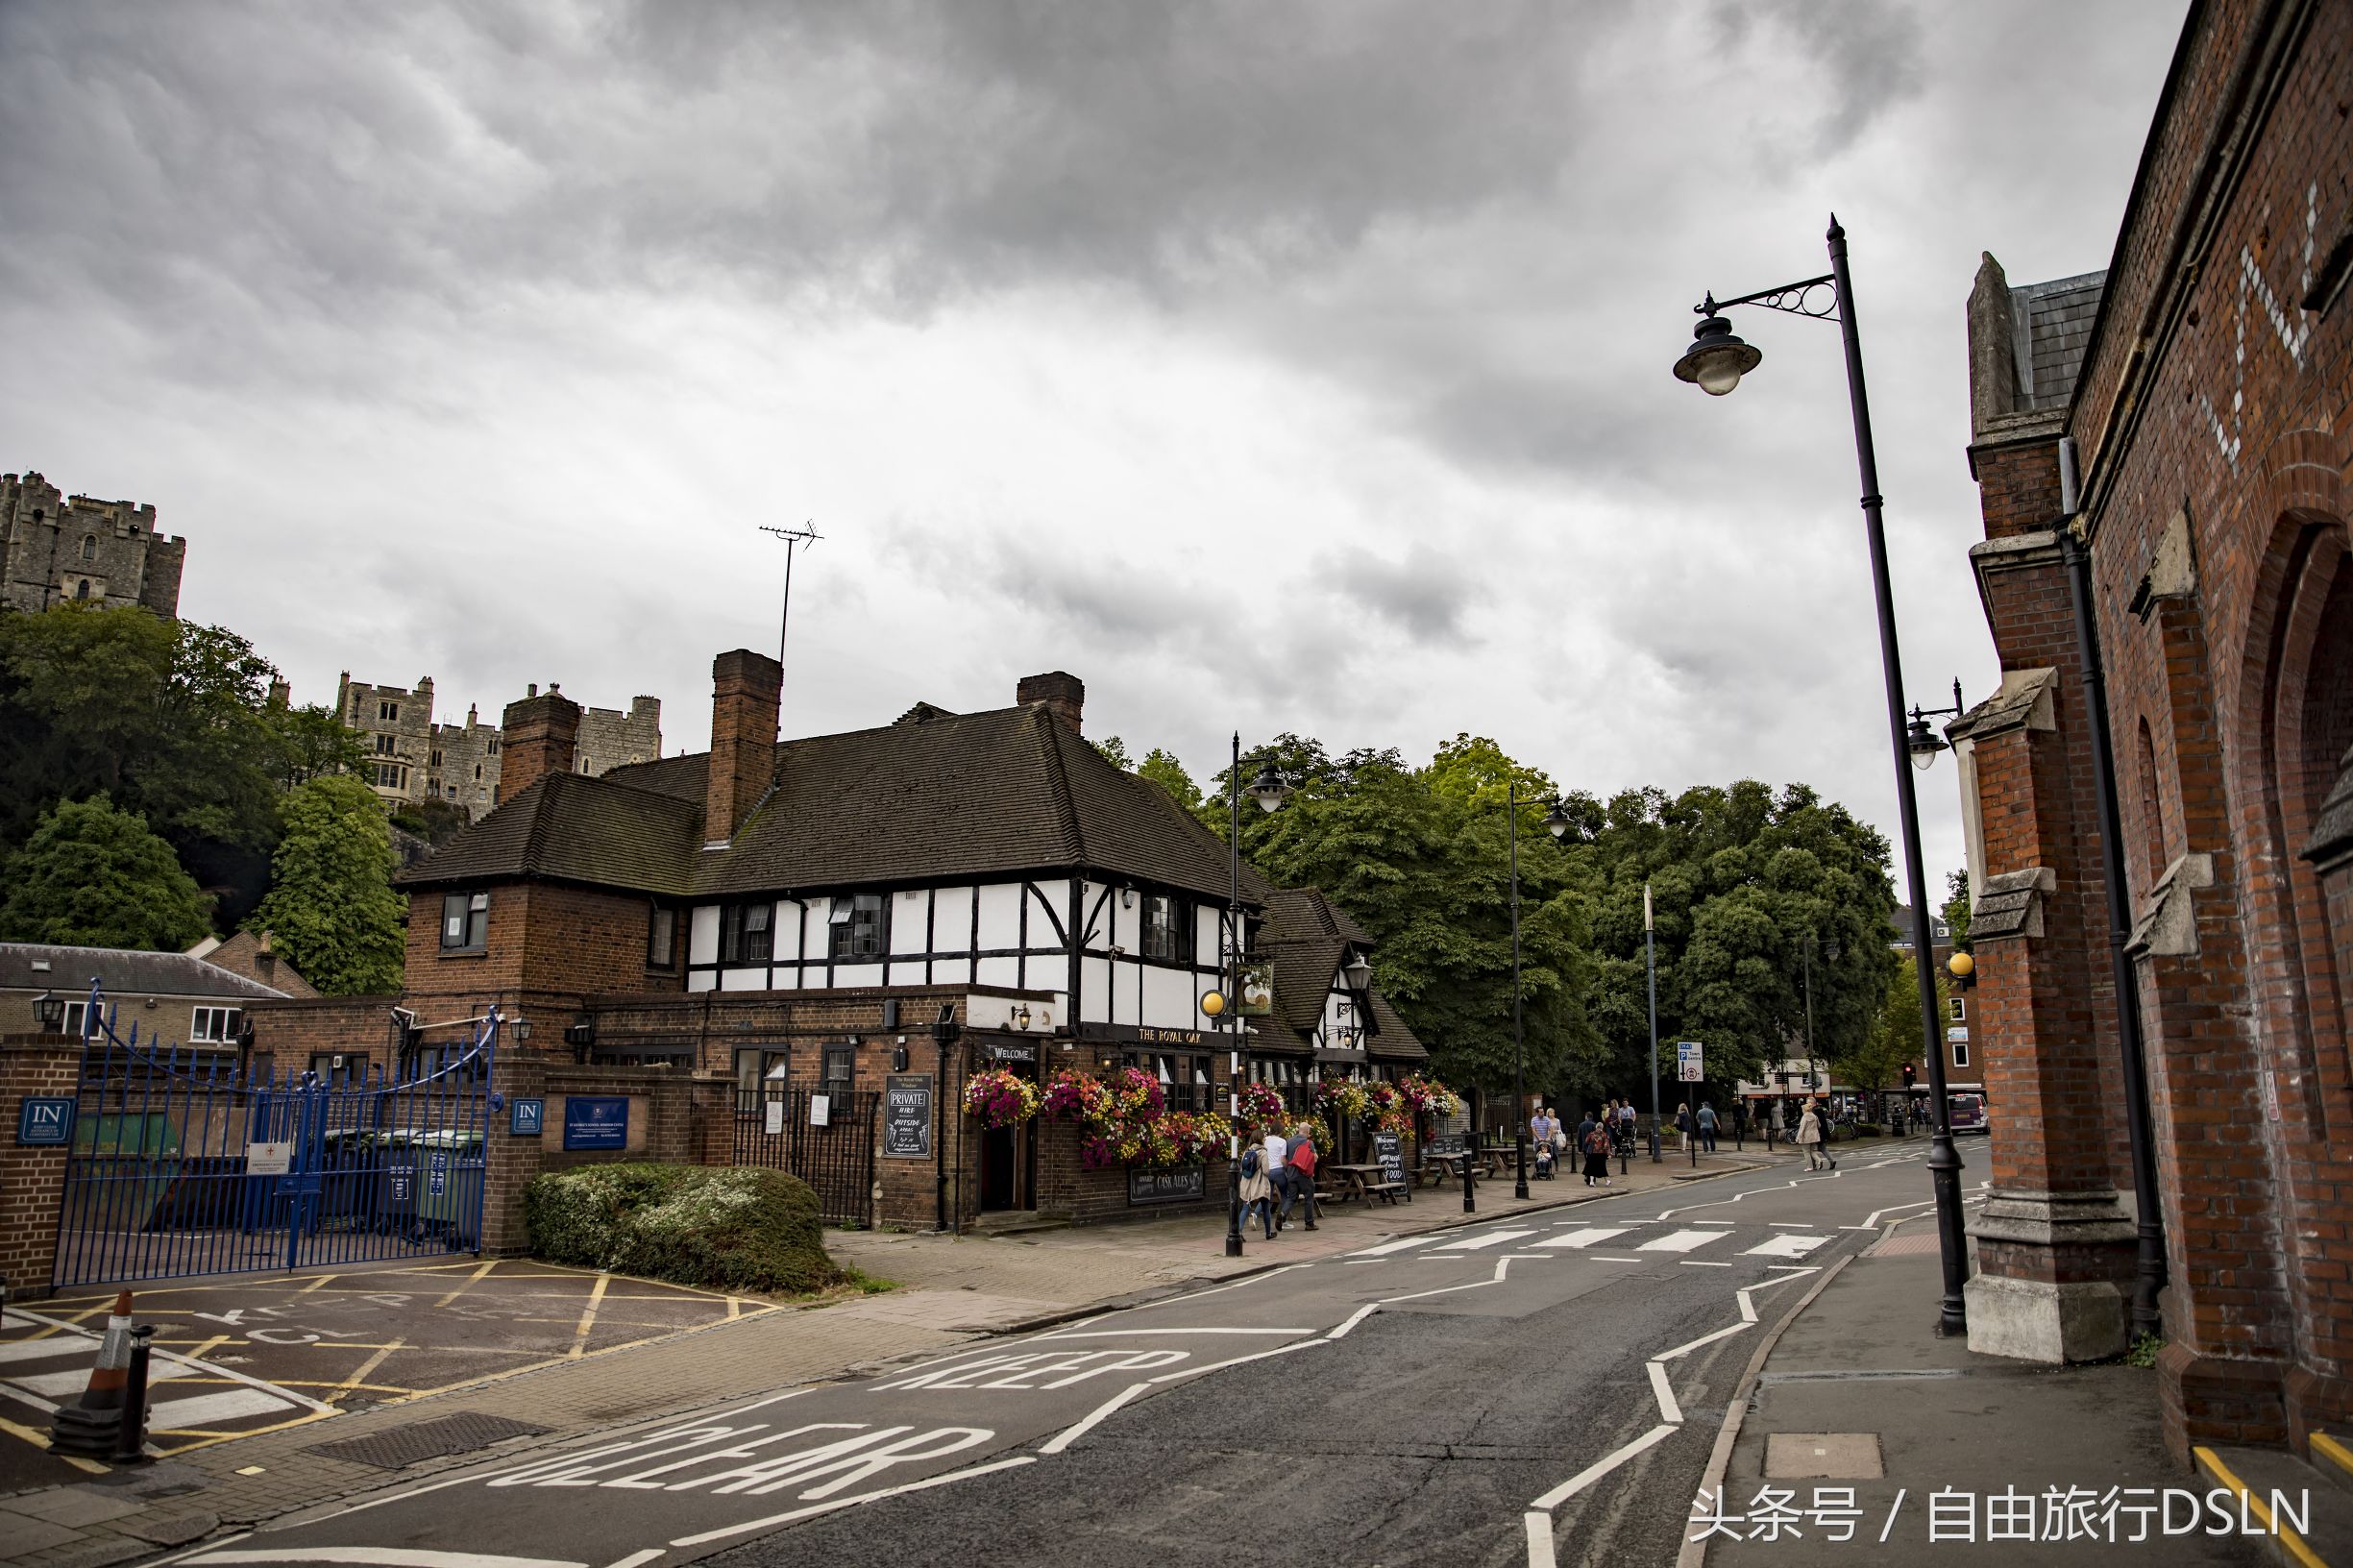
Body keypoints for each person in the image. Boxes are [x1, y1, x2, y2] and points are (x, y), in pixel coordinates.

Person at [1280, 1124, 1319, 1231]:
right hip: (1304, 1174)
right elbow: (1314, 1159)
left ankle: (1282, 1214)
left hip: (1291, 1174)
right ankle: (1309, 1224)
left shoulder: (1288, 1141)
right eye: (1309, 1132)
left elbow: (1283, 1159)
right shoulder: (1309, 1143)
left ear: (1299, 1130)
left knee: (1292, 1198)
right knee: (1309, 1197)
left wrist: (1288, 1169)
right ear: (1307, 1132)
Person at [1238, 1140, 1276, 1238]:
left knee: (1245, 1207)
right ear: (1261, 1139)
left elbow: (1242, 1169)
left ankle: (1239, 1232)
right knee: (1266, 1208)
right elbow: (1266, 1171)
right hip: (1260, 1184)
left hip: (1247, 1183)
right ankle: (1268, 1233)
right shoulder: (1263, 1152)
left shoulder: (1246, 1151)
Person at [1581, 1115, 1613, 1188]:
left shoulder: (1591, 1134)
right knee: (1602, 1168)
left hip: (1592, 1153)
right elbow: (1606, 1146)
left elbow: (1586, 1142)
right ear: (1602, 1127)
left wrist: (1584, 1150)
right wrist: (1609, 1154)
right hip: (1601, 1154)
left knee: (1592, 1167)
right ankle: (1607, 1181)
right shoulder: (1604, 1135)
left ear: (1596, 1127)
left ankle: (1592, 1182)